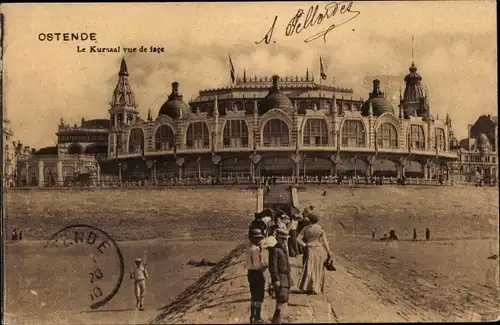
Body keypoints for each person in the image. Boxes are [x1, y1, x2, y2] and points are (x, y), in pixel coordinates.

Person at [297, 212, 332, 295]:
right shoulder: (320, 229)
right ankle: (316, 288)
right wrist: (328, 252)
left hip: (310, 249)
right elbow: (324, 242)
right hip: (319, 249)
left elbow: (298, 239)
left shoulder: (306, 228)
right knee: (318, 268)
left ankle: (308, 287)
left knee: (309, 268)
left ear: (309, 219)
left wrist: (305, 245)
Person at [268, 228, 292, 324]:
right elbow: (272, 266)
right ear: (277, 238)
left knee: (284, 296)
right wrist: (275, 279)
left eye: (286, 239)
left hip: (285, 275)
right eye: (283, 239)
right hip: (280, 276)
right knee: (281, 297)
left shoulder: (283, 248)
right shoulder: (275, 249)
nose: (285, 241)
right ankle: (277, 317)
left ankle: (279, 316)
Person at [246, 228, 268, 324]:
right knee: (259, 296)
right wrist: (264, 266)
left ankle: (252, 316)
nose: (260, 240)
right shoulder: (255, 249)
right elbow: (256, 266)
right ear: (254, 239)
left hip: (251, 274)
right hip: (256, 274)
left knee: (253, 295)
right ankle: (257, 317)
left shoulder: (250, 248)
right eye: (258, 238)